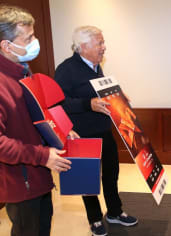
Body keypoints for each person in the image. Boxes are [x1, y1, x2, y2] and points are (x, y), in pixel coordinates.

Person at [0, 5, 76, 236]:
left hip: (38, 175)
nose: (35, 41)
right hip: (18, 182)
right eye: (29, 37)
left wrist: (61, 133)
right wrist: (41, 155)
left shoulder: (22, 70)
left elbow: (37, 114)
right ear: (6, 45)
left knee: (43, 228)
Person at [54, 26, 138, 236]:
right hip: (81, 134)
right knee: (87, 178)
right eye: (99, 43)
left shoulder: (95, 65)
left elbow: (98, 91)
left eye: (102, 42)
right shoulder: (66, 69)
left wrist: (117, 96)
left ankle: (115, 212)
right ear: (83, 47)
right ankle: (94, 219)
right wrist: (87, 104)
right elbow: (59, 103)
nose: (104, 47)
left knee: (111, 174)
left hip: (104, 129)